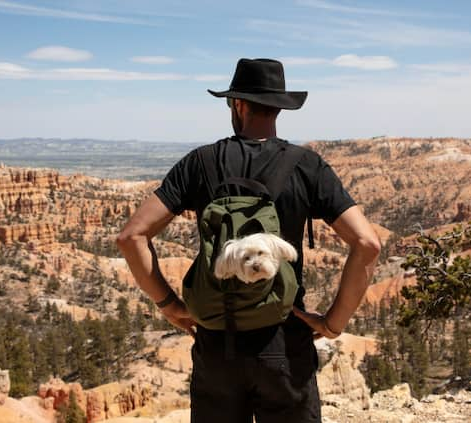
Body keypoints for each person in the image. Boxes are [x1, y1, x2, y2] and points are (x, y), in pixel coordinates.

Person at [117, 58, 381, 423]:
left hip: (217, 343)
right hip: (285, 342)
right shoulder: (306, 164)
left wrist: (169, 304)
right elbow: (367, 243)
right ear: (279, 108)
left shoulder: (201, 163)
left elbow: (131, 236)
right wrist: (334, 322)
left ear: (237, 104)